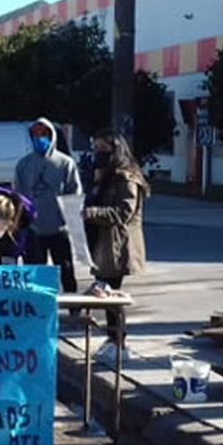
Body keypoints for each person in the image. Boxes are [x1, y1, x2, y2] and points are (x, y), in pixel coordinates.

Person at [82, 130, 149, 356]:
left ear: (115, 150)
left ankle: (119, 342)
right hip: (104, 243)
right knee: (105, 292)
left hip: (119, 245)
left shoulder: (127, 177)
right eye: (96, 149)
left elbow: (123, 212)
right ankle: (112, 339)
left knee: (112, 293)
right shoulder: (105, 175)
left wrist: (92, 212)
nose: (98, 154)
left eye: (103, 149)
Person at [15, 118, 82, 295]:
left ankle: (74, 310)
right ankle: (38, 311)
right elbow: (18, 196)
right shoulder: (23, 165)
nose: (40, 138)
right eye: (36, 134)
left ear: (52, 136)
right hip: (34, 229)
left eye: (44, 134)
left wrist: (70, 221)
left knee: (66, 271)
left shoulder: (65, 164)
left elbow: (74, 195)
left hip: (59, 229)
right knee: (35, 276)